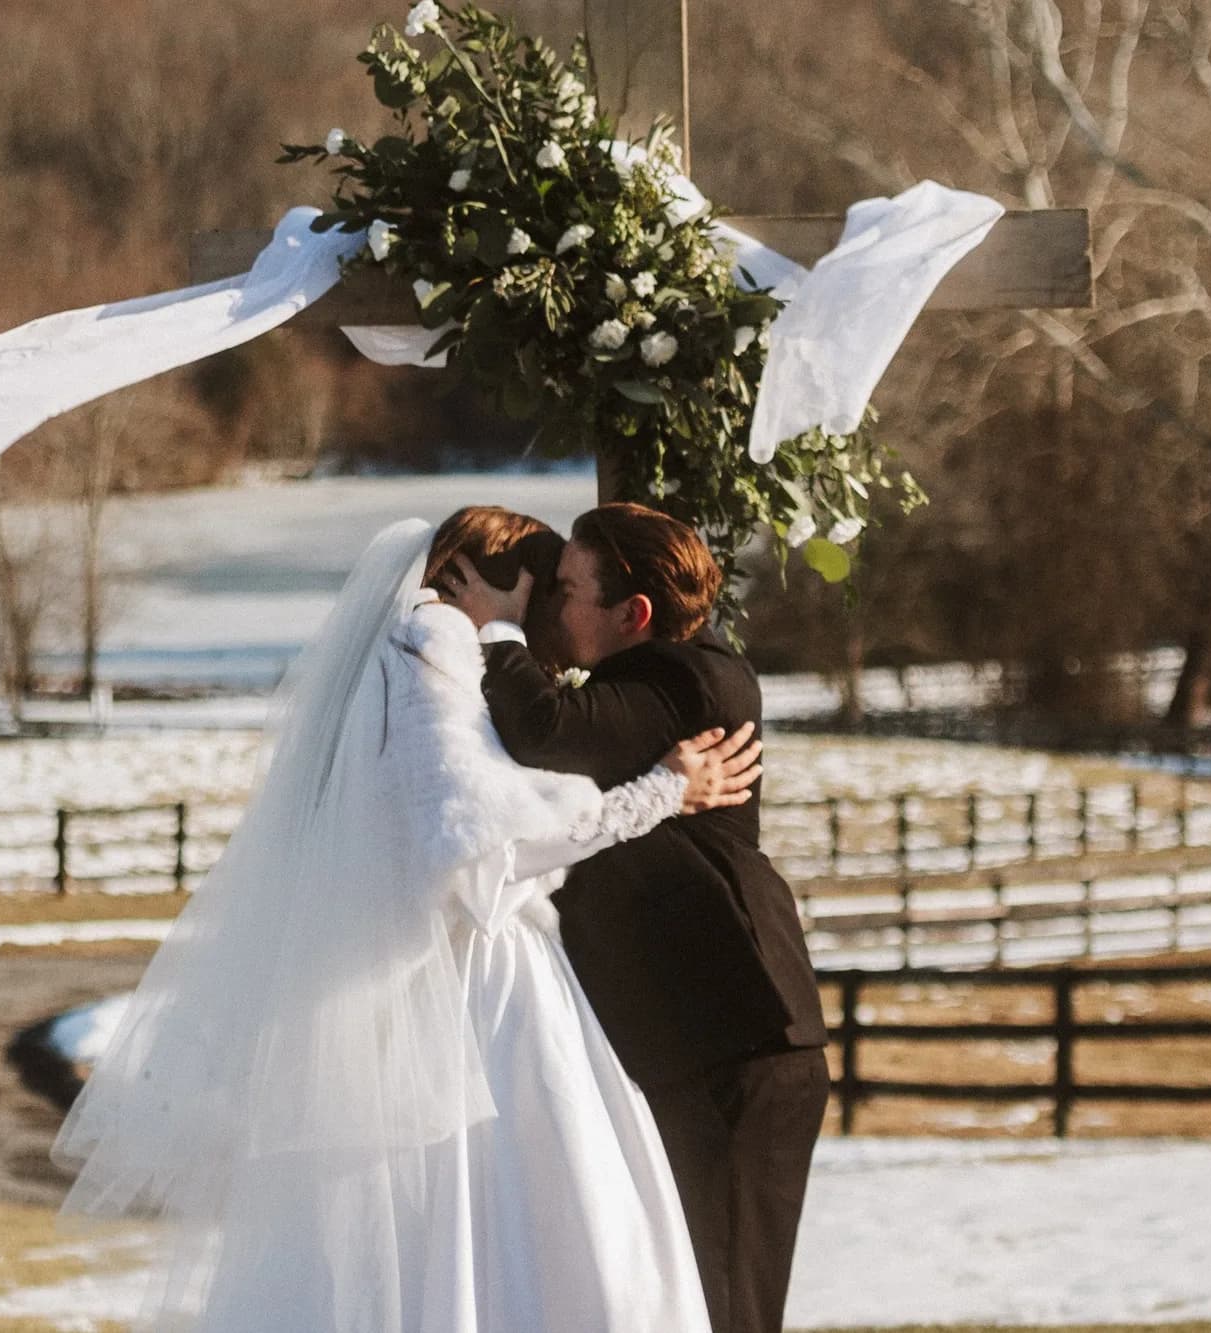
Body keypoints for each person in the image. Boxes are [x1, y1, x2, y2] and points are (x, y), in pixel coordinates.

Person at [52, 509, 761, 1332]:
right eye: (547, 589)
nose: (554, 616)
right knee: (530, 1229)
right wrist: (659, 794)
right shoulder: (433, 653)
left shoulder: (420, 657)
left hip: (475, 975)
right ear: (494, 584)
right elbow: (477, 845)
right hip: (473, 991)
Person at [442, 502, 829, 1333]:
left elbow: (543, 732)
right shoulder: (679, 673)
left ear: (634, 614)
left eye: (569, 589)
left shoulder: (674, 682)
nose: (554, 606)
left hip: (730, 1038)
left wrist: (499, 627)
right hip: (717, 1033)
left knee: (724, 1307)